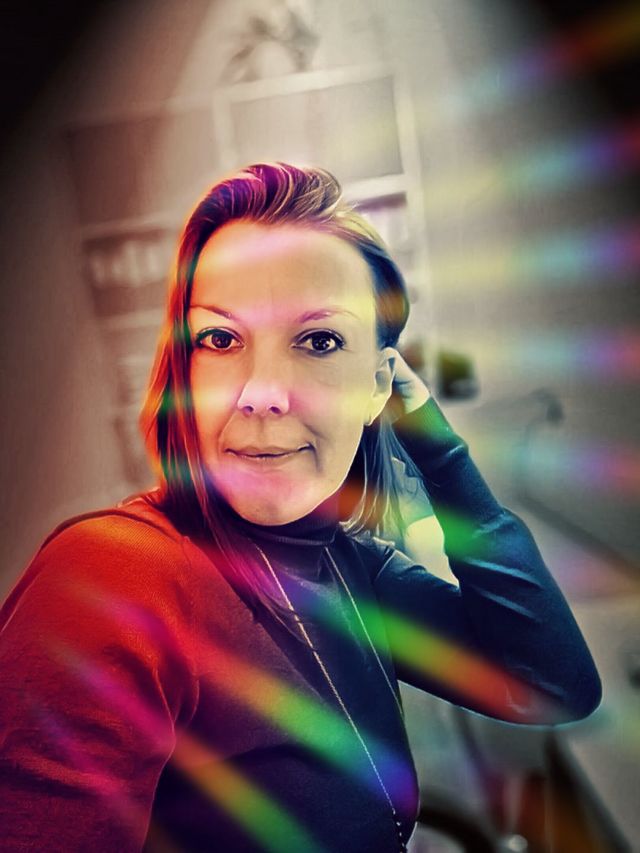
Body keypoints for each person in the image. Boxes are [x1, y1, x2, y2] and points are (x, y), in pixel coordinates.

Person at [0, 162, 600, 853]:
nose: (261, 393)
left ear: (379, 386)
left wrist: (438, 448)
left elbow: (550, 684)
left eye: (319, 341)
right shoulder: (113, 578)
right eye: (220, 339)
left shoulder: (352, 570)